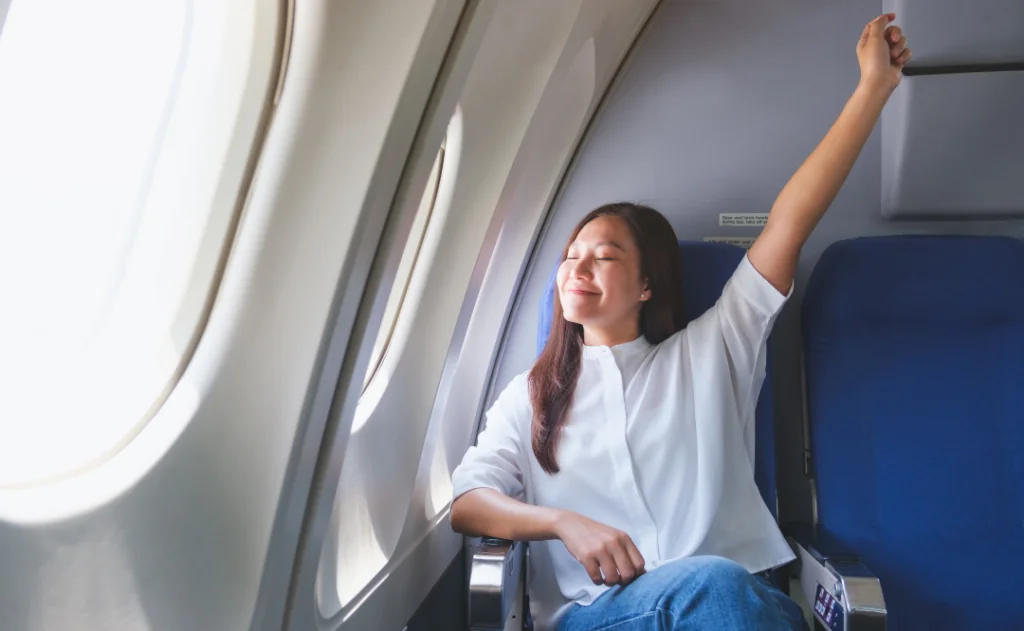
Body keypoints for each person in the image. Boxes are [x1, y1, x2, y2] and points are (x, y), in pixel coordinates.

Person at [450, 13, 911, 631]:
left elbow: (789, 225)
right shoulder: (533, 396)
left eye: (604, 257)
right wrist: (562, 522)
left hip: (734, 604)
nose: (578, 268)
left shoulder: (714, 351)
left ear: (646, 286)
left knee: (717, 586)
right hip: (601, 617)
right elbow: (467, 501)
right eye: (571, 257)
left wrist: (871, 91)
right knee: (712, 586)